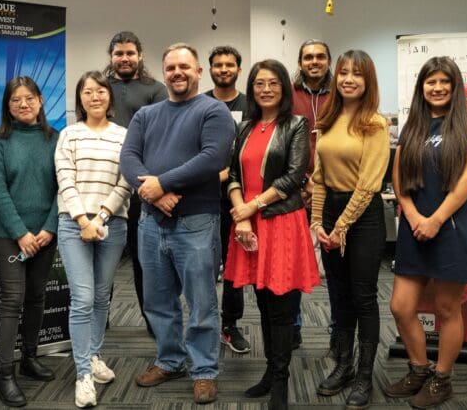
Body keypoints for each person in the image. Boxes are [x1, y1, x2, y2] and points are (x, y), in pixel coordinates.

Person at [120, 43, 235, 404]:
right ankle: (169, 360)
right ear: (163, 72)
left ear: (199, 71)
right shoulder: (145, 115)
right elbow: (128, 158)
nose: (177, 73)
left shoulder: (214, 111)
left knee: (201, 302)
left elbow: (212, 158)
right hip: (151, 224)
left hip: (197, 222)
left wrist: (162, 184)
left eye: (184, 66)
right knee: (157, 300)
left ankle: (203, 370)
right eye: (170, 68)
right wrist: (153, 192)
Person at [224, 59, 320, 409]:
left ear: (283, 88)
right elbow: (233, 174)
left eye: (273, 83)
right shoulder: (245, 127)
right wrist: (243, 216)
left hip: (280, 222)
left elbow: (294, 176)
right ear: (251, 89)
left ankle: (281, 380)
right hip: (250, 224)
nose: (265, 89)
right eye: (259, 83)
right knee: (262, 304)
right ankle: (269, 371)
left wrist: (253, 207)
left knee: (281, 307)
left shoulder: (296, 124)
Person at [385, 56, 467, 409]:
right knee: (401, 306)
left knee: (446, 308)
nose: (437, 88)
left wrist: (436, 219)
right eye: (430, 82)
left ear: (454, 87)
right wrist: (411, 214)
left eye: (444, 82)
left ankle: (442, 378)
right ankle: (419, 368)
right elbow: (399, 176)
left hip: (451, 228)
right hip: (414, 228)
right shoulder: (413, 127)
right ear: (421, 87)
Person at [311, 50, 389, 409]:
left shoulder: (374, 123)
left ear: (367, 80)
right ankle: (342, 365)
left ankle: (363, 375)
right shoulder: (327, 120)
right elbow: (320, 178)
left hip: (364, 217)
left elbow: (369, 184)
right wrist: (317, 221)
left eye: (357, 74)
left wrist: (341, 226)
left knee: (363, 296)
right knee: (339, 295)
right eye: (343, 72)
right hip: (331, 211)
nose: (348, 79)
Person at [55, 71, 132, 408]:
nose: (95, 96)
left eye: (101, 91)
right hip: (73, 225)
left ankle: (94, 354)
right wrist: (83, 220)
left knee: (102, 296)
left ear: (110, 97)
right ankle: (83, 373)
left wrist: (100, 217)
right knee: (83, 298)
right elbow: (65, 179)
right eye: (88, 92)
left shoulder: (124, 135)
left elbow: (126, 181)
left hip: (112, 224)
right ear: (80, 98)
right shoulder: (68, 135)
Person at [0, 76, 58, 407]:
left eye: (29, 98)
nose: (23, 104)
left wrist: (49, 227)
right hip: (10, 236)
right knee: (13, 299)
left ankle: (29, 358)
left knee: (37, 295)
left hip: (46, 233)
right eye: (16, 100)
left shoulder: (57, 139)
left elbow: (65, 186)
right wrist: (21, 234)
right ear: (8, 107)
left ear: (41, 102)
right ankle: (4, 374)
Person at [104, 31, 168, 335]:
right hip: (104, 185)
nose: (125, 58)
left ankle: (152, 321)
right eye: (119, 53)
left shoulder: (156, 90)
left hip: (142, 185)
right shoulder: (101, 89)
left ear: (140, 55)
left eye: (130, 53)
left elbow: (161, 138)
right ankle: (100, 318)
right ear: (111, 56)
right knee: (104, 259)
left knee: (145, 261)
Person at [292, 39, 337, 352]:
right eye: (308, 57)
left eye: (320, 56)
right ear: (300, 61)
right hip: (296, 187)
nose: (314, 61)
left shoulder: (341, 93)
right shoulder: (289, 94)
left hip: (334, 187)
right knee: (293, 262)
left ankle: (338, 330)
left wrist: (319, 184)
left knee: (335, 262)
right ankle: (292, 327)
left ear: (328, 61)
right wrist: (304, 180)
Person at [206, 45, 250, 354]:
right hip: (203, 198)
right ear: (210, 70)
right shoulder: (198, 103)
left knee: (235, 266)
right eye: (218, 64)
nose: (224, 69)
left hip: (239, 199)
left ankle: (230, 325)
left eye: (229, 64)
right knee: (204, 265)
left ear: (238, 69)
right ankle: (205, 322)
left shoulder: (251, 105)